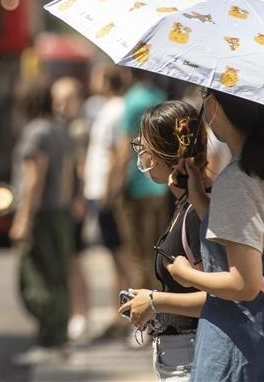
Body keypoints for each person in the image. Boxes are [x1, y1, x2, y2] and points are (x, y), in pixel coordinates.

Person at [165, 88, 264, 382]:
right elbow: (254, 233)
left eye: (205, 94)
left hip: (243, 350)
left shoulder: (237, 180)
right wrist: (199, 197)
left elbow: (244, 284)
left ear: (214, 108)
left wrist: (185, 275)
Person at [117, 100, 209, 381]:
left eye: (143, 148)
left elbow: (221, 298)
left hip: (192, 358)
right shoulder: (187, 203)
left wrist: (155, 302)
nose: (141, 156)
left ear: (162, 153)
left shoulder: (197, 212)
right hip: (178, 356)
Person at [10, 78, 75, 365]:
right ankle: (57, 339)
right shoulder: (59, 130)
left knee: (35, 280)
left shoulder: (35, 132)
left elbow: (33, 178)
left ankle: (49, 340)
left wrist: (23, 218)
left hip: (42, 215)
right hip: (59, 212)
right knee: (58, 277)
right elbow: (67, 175)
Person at [112, 71, 171, 309]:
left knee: (136, 253)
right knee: (155, 251)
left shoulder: (131, 100)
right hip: (158, 184)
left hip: (135, 183)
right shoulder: (158, 95)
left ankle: (141, 312)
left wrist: (115, 184)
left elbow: (124, 146)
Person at [82, 64, 133, 338]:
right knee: (113, 255)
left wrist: (110, 191)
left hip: (105, 191)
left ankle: (129, 314)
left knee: (121, 254)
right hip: (97, 188)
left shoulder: (117, 110)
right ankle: (120, 313)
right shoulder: (104, 108)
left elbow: (120, 152)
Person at [51, 76, 92, 342]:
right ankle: (72, 313)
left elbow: (82, 166)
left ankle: (81, 314)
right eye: (57, 99)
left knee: (74, 261)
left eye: (65, 99)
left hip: (73, 203)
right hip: (61, 202)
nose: (60, 105)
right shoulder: (60, 127)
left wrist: (79, 198)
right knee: (65, 261)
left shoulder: (78, 130)